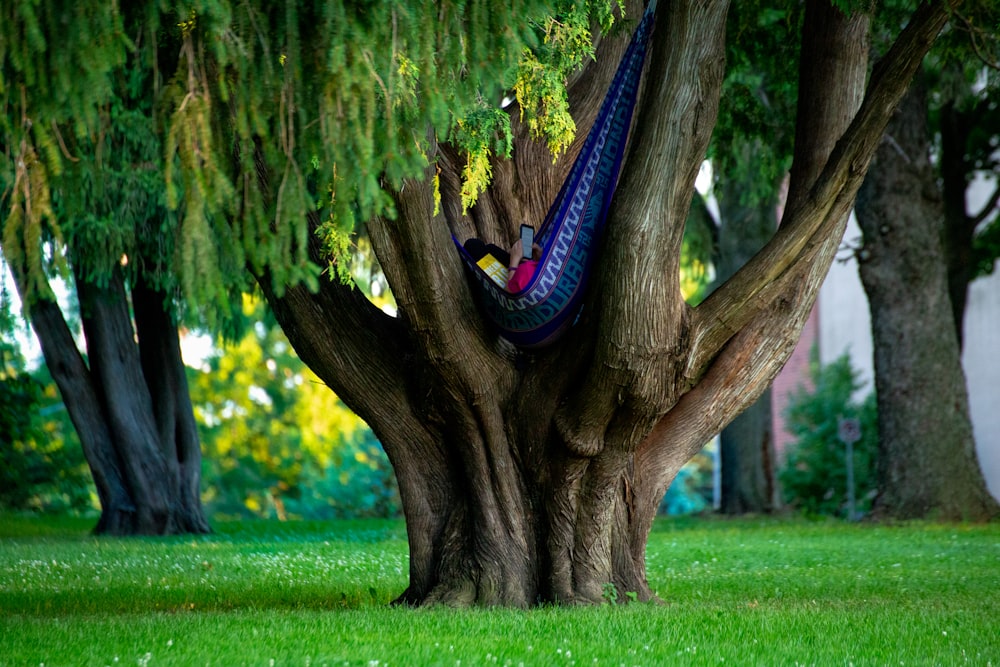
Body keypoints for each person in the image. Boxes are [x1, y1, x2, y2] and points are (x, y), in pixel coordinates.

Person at [463, 237, 541, 293]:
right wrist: (540, 258)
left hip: (517, 281)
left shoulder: (525, 271)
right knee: (490, 248)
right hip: (535, 270)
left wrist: (514, 260)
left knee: (472, 245)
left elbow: (510, 295)